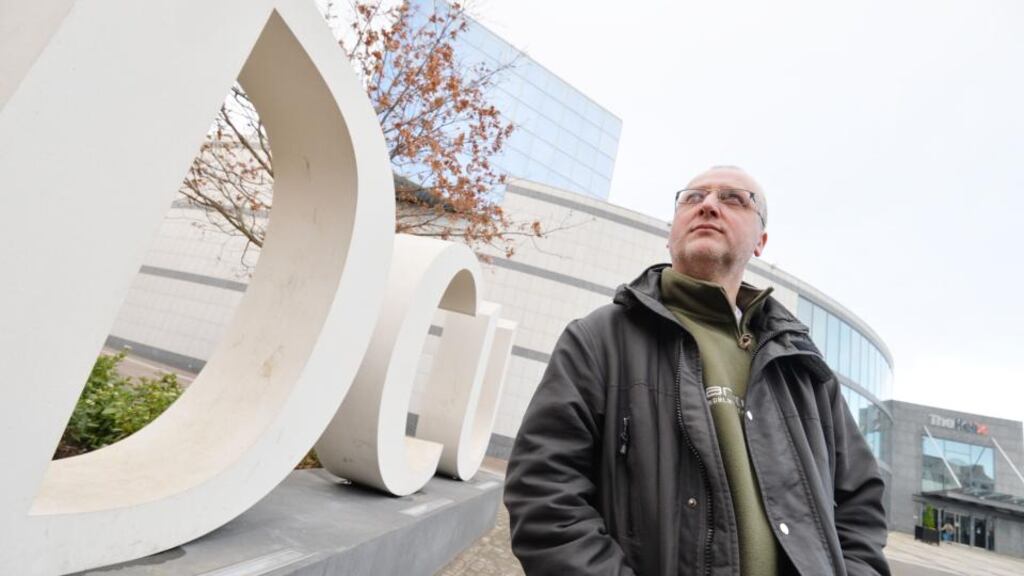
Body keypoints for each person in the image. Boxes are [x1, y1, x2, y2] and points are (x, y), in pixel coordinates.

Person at [504, 166, 890, 575]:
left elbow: (861, 505)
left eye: (733, 199)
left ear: (760, 242)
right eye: (692, 197)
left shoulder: (803, 369)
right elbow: (544, 493)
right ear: (671, 233)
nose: (707, 205)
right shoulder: (599, 340)